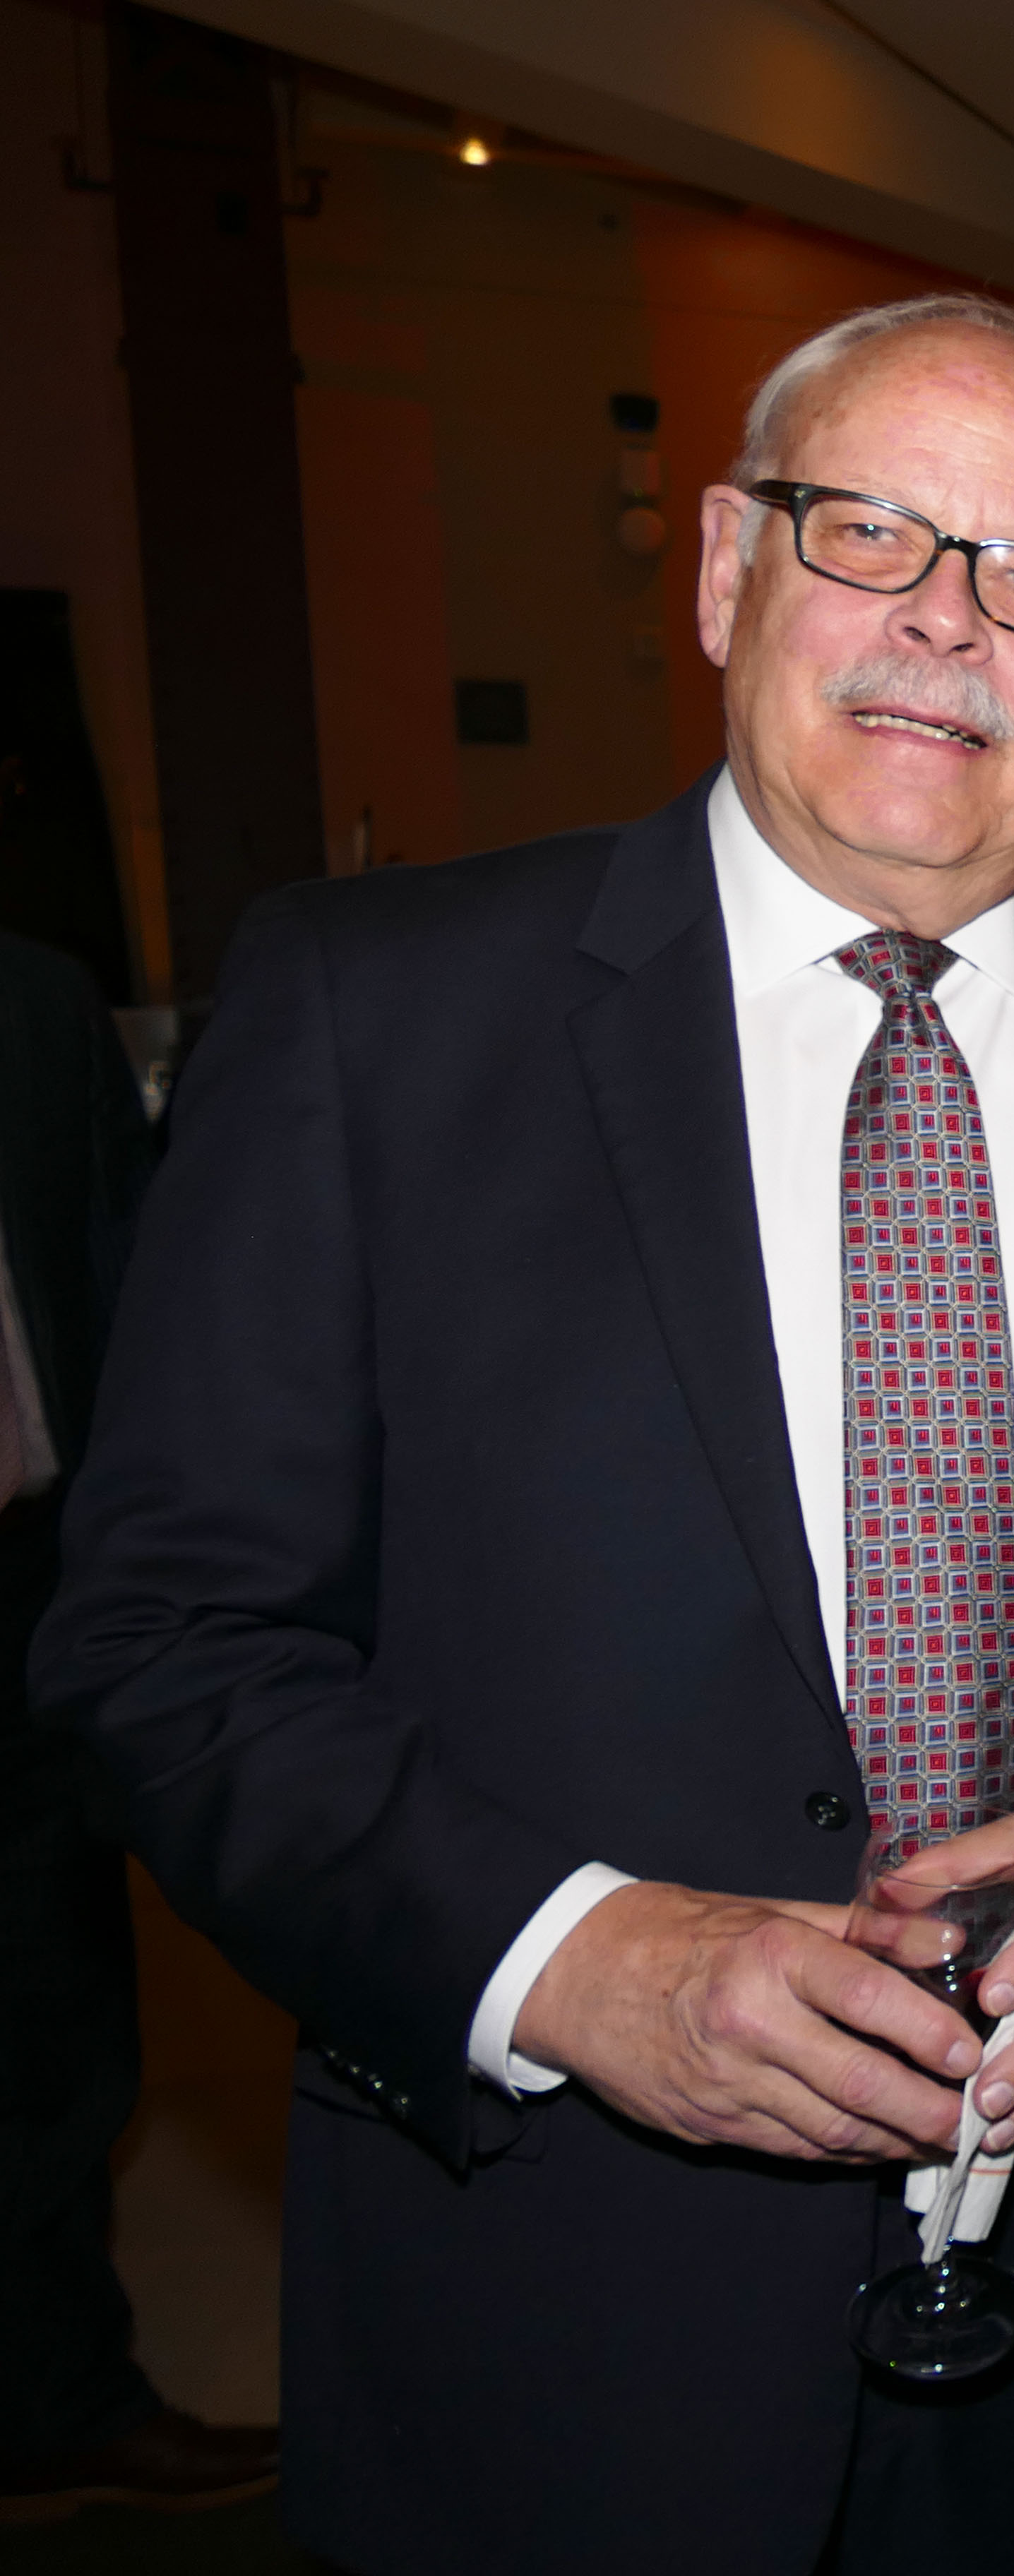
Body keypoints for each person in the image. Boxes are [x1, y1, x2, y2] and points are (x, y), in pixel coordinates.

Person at [32, 293, 1014, 2576]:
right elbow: (162, 1639)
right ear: (728, 569)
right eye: (875, 534)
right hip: (570, 2318)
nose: (951, 624)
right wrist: (576, 1958)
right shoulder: (374, 1012)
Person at [0, 932, 273, 2524]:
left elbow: (122, 1276)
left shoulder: (30, 1000)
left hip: (28, 1582)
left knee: (51, 2024)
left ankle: (58, 2406)